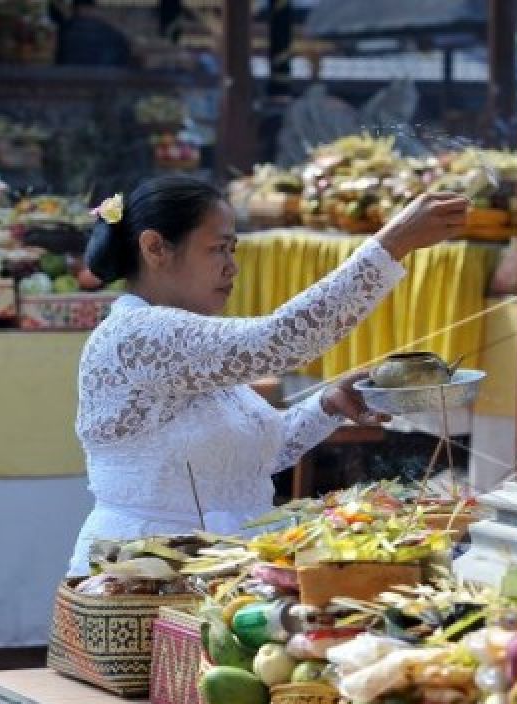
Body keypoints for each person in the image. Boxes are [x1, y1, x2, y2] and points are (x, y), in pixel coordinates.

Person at [69, 175, 467, 574]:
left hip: (215, 566)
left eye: (233, 249)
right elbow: (278, 340)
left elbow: (254, 459)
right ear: (155, 248)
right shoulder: (135, 335)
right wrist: (391, 245)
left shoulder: (184, 344)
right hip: (142, 572)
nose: (232, 267)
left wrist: (327, 405)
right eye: (218, 249)